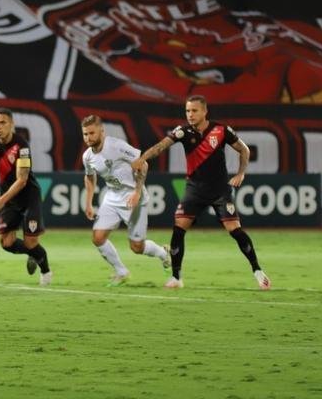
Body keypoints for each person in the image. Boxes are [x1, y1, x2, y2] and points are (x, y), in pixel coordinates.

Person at [132, 95, 270, 290]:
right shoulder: (183, 132)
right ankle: (176, 277)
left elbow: (244, 150)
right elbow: (161, 146)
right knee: (179, 228)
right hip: (194, 189)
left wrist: (241, 173)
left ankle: (258, 271)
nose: (190, 115)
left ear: (205, 111)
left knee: (235, 231)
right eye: (187, 111)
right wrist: (143, 158)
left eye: (194, 111)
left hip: (220, 190)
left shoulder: (221, 130)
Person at [79, 115, 171, 286]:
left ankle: (164, 254)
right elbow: (89, 177)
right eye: (85, 134)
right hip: (112, 197)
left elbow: (142, 164)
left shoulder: (116, 146)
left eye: (91, 133)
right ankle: (122, 272)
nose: (88, 138)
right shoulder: (87, 156)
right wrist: (89, 203)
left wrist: (137, 193)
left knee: (137, 247)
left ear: (102, 131)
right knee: (98, 237)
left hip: (133, 198)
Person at [0, 108, 52, 285]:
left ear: (11, 124)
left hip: (29, 196)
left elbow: (22, 180)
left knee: (31, 241)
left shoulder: (21, 146)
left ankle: (46, 272)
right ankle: (33, 255)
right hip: (10, 199)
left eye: (3, 122)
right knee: (6, 243)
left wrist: (0, 201)